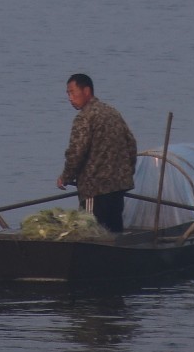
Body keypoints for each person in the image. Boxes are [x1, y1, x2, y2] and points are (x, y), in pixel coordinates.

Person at [56, 73, 137, 233]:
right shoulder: (112, 112)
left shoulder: (84, 118)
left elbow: (76, 153)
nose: (70, 98)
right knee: (114, 232)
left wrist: (65, 177)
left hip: (95, 190)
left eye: (72, 92)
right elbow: (131, 145)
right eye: (68, 94)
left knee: (92, 233)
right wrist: (128, 172)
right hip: (118, 188)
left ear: (86, 91)